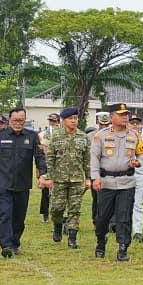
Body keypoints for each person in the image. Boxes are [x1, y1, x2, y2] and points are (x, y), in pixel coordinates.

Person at [0, 107, 49, 258]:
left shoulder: (32, 137)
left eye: (21, 120)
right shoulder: (0, 135)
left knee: (19, 217)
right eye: (15, 120)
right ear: (9, 121)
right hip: (2, 183)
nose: (18, 123)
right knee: (5, 214)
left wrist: (42, 175)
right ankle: (6, 245)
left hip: (22, 184)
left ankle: (15, 242)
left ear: (25, 120)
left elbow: (39, 158)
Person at [90, 103, 143, 261]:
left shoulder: (135, 135)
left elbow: (141, 155)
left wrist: (137, 162)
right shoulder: (100, 136)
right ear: (111, 117)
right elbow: (94, 159)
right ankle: (101, 241)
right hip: (106, 182)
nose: (125, 117)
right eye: (121, 114)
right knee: (102, 218)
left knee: (124, 217)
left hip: (126, 182)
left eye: (126, 114)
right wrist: (95, 178)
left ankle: (123, 247)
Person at [47, 106, 91, 249]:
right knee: (56, 208)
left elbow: (87, 160)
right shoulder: (56, 137)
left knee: (74, 209)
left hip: (77, 179)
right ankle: (58, 225)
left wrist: (89, 178)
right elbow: (50, 158)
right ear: (63, 120)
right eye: (70, 119)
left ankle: (72, 238)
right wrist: (50, 177)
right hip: (59, 179)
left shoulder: (83, 137)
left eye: (76, 118)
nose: (74, 121)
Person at [38, 112, 60, 224]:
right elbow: (44, 148)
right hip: (49, 164)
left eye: (54, 121)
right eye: (50, 121)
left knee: (59, 191)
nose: (52, 123)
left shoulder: (63, 132)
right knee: (46, 191)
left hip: (61, 165)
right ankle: (45, 214)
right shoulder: (46, 133)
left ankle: (58, 214)